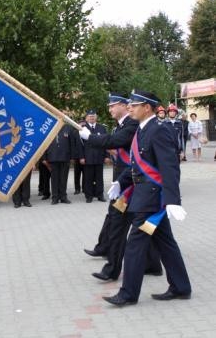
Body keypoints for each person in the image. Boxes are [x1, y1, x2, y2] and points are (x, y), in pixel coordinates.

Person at [103, 90, 191, 307]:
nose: (130, 107)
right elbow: (137, 164)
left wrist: (172, 200)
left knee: (134, 244)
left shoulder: (159, 130)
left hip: (152, 200)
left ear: (148, 108)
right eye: (130, 104)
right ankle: (181, 287)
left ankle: (128, 294)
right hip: (144, 196)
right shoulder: (142, 130)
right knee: (165, 242)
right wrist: (120, 183)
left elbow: (170, 168)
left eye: (135, 104)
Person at [80, 93, 162, 280]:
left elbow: (115, 142)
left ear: (125, 106)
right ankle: (152, 264)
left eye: (113, 106)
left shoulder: (132, 124)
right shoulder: (124, 125)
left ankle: (112, 269)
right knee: (140, 226)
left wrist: (90, 137)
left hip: (131, 185)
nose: (110, 110)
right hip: (125, 183)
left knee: (119, 224)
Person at [42, 125, 79, 205]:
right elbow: (44, 144)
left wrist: (72, 157)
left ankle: (63, 197)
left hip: (65, 157)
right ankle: (55, 198)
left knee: (63, 178)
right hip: (52, 157)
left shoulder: (68, 128)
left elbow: (72, 143)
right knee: (54, 179)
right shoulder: (49, 127)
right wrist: (44, 158)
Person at [79, 110, 107, 203]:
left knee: (99, 177)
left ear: (96, 117)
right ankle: (89, 196)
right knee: (88, 177)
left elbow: (106, 143)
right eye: (90, 116)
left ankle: (100, 195)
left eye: (93, 116)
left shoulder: (102, 128)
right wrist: (81, 157)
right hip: (88, 157)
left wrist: (107, 156)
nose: (92, 118)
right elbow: (80, 145)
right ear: (86, 118)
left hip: (99, 156)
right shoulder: (82, 129)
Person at [73, 120, 86, 195]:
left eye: (83, 125)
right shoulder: (74, 133)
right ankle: (77, 189)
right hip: (77, 157)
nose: (82, 126)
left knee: (86, 173)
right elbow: (73, 145)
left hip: (86, 156)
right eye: (81, 125)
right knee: (77, 174)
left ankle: (85, 188)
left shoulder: (86, 132)